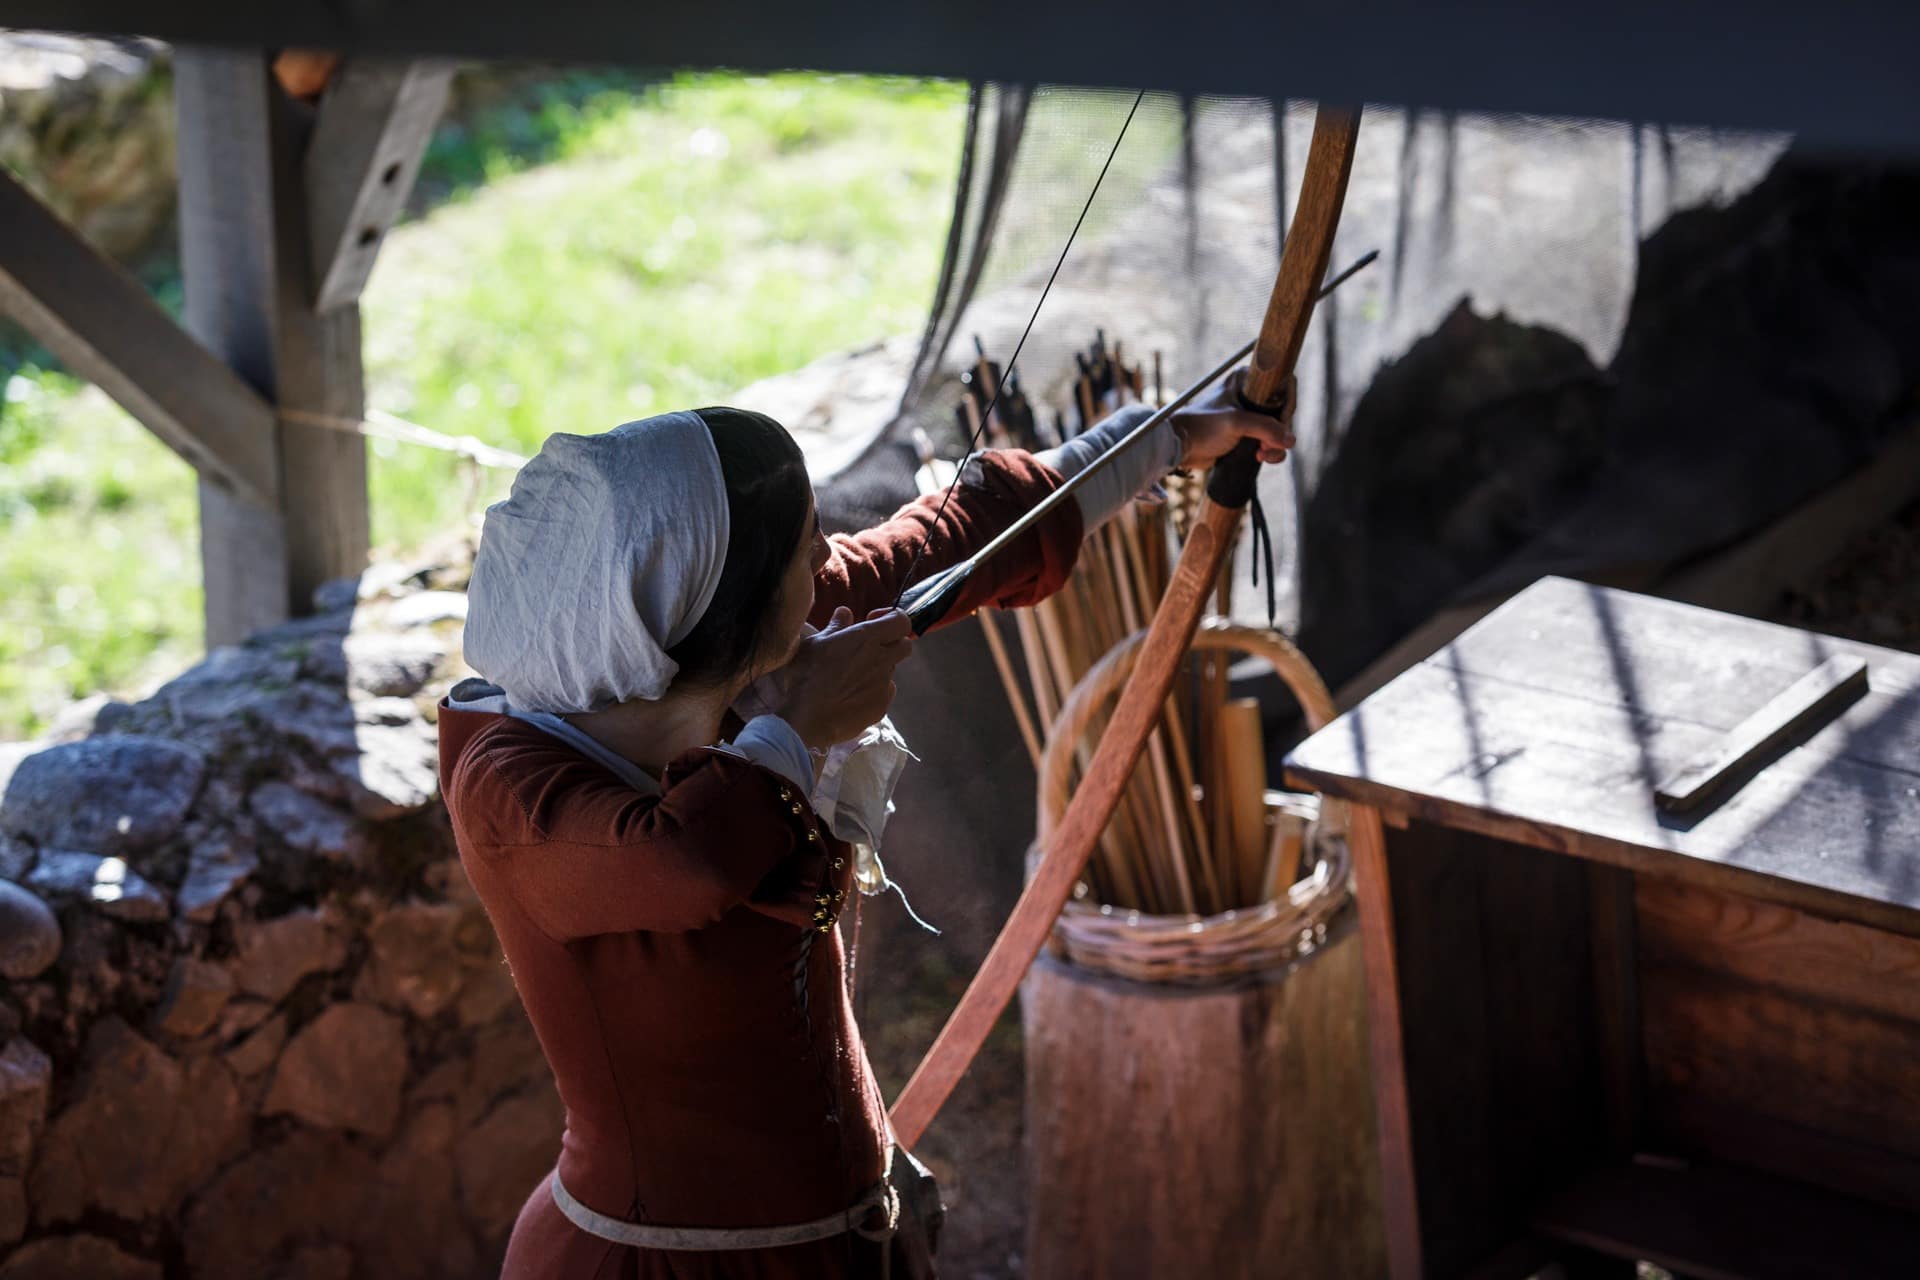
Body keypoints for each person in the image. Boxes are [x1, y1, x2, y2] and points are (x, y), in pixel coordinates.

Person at [438, 377, 1293, 1279]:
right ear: (713, 608)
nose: (829, 555)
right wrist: (796, 725)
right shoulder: (507, 786)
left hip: (845, 1239)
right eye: (806, 550)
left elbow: (958, 533)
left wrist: (1167, 439)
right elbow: (689, 859)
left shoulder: (715, 646)